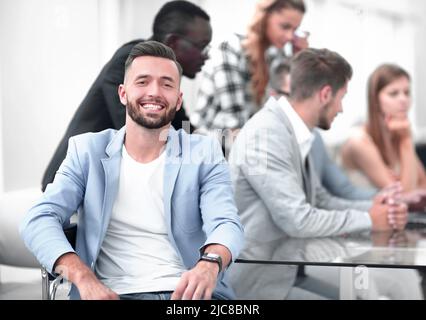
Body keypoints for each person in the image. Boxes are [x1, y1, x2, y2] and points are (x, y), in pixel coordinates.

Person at [20, 41, 244, 300]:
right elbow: (39, 218)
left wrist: (210, 264)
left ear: (178, 99)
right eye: (143, 82)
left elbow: (226, 222)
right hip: (114, 293)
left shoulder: (203, 152)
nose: (155, 92)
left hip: (189, 294)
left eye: (167, 84)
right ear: (123, 93)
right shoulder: (87, 151)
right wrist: (82, 277)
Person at [228, 48, 410, 299]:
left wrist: (377, 208)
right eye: (341, 97)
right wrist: (369, 219)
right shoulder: (266, 134)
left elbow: (321, 200)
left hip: (285, 273)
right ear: (325, 94)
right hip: (256, 285)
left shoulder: (299, 132)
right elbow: (298, 220)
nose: (342, 109)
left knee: (365, 294)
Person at [41, 0, 212, 191]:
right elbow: (141, 137)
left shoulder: (163, 82)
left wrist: (223, 148)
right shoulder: (131, 60)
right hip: (73, 187)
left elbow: (183, 130)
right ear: (173, 42)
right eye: (203, 46)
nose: (207, 56)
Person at [190, 0, 308, 155]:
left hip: (246, 144)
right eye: (285, 27)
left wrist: (300, 59)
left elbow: (290, 110)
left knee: (306, 140)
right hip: (208, 147)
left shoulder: (275, 56)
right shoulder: (229, 49)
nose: (289, 36)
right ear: (264, 17)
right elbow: (236, 123)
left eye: (295, 30)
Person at [270, 60, 377, 200]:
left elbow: (338, 192)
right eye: (292, 94)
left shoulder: (314, 139)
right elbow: (293, 213)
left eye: (304, 94)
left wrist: (388, 201)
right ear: (273, 96)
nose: (299, 102)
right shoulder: (267, 141)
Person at [341, 64, 426, 199]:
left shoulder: (399, 132)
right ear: (375, 99)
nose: (403, 99)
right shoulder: (359, 142)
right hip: (365, 217)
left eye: (407, 92)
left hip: (399, 217)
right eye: (393, 93)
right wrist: (406, 141)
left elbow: (423, 183)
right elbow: (404, 196)